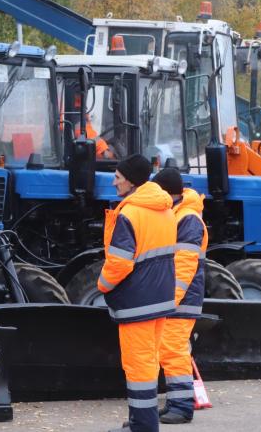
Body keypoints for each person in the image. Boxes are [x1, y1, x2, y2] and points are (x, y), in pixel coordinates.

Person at [98, 154, 178, 432]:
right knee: (150, 361)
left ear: (131, 181)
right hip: (161, 298)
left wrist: (103, 285)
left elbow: (119, 262)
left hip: (137, 301)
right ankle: (142, 422)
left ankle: (142, 426)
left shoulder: (130, 213)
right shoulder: (166, 209)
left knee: (138, 367)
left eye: (118, 177)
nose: (114, 182)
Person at [151, 167, 207, 425]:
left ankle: (182, 406)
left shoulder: (187, 218)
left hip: (182, 298)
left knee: (173, 349)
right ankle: (177, 402)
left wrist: (170, 298)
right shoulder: (181, 214)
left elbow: (185, 263)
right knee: (170, 348)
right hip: (181, 296)